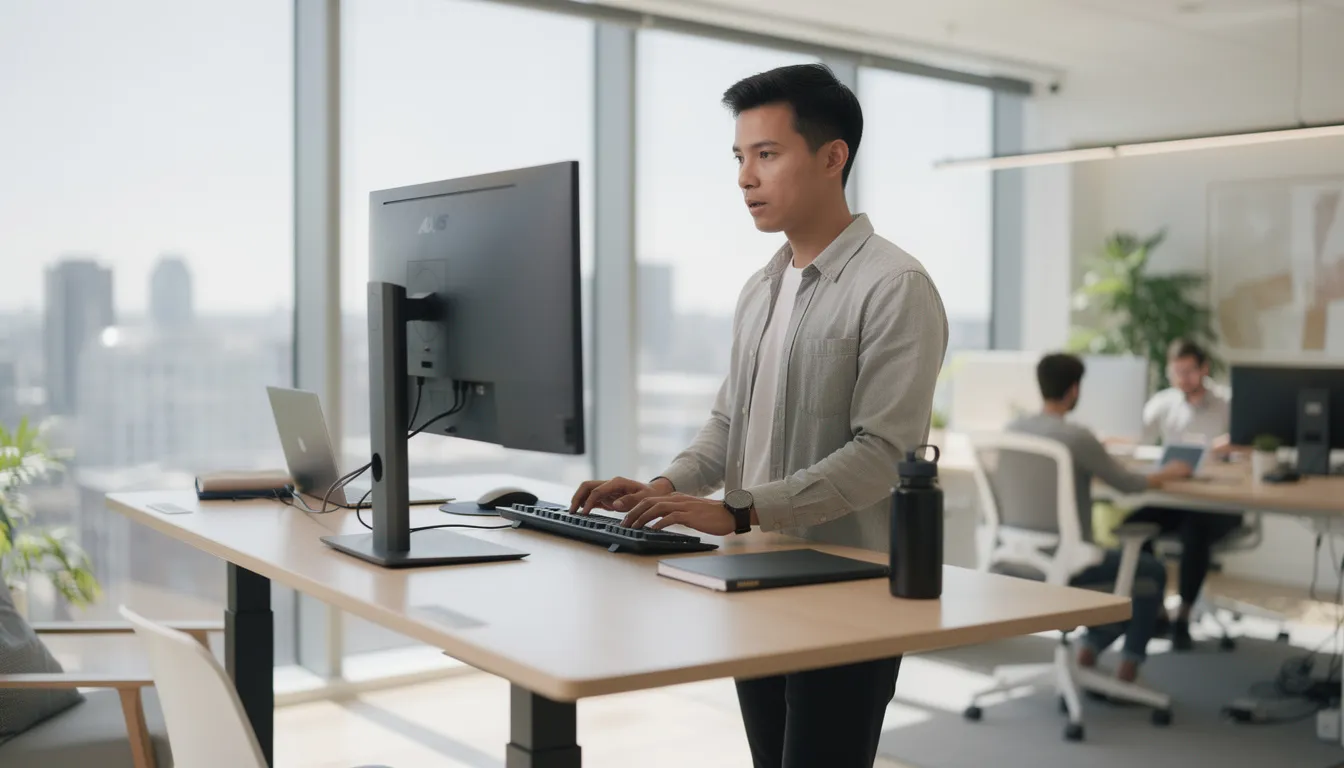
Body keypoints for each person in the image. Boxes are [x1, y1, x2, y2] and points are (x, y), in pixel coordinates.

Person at [569, 64, 948, 768]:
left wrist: (739, 509)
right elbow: (726, 428)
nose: (745, 178)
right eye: (740, 158)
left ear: (832, 158)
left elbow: (881, 452)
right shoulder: (761, 288)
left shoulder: (895, 287)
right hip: (754, 579)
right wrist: (663, 487)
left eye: (766, 155)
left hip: (844, 592)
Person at [1008, 354, 1192, 684]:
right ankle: (1126, 664)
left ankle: (1090, 647)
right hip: (1069, 564)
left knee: (1125, 571)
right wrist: (1168, 473)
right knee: (1150, 571)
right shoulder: (1077, 437)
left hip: (1020, 561)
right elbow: (1128, 484)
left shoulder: (1014, 429)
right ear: (1074, 389)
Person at [1125, 339, 1243, 650]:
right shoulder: (1164, 402)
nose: (1182, 379)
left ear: (1204, 369)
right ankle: (1158, 611)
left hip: (1218, 503)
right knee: (1135, 526)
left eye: (1189, 371)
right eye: (1176, 372)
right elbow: (1134, 436)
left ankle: (1184, 616)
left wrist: (1229, 446)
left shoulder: (1228, 404)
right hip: (1174, 499)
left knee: (1195, 531)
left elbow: (1251, 445)